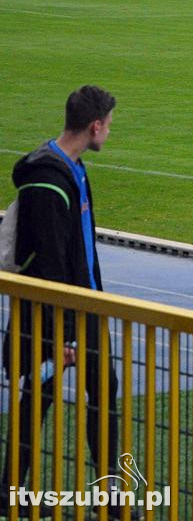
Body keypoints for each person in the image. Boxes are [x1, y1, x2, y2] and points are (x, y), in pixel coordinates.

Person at [2, 86, 121, 516]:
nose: (109, 131)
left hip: (85, 309)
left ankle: (110, 498)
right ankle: (11, 491)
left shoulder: (73, 168)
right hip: (58, 317)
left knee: (102, 393)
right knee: (39, 395)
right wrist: (64, 334)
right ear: (94, 125)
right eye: (108, 125)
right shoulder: (49, 184)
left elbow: (80, 250)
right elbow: (51, 266)